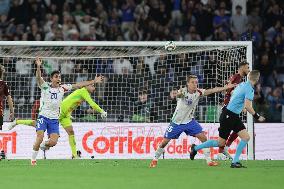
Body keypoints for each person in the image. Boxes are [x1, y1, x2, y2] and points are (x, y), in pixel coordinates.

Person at [149, 75, 236, 168]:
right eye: (192, 82)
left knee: (203, 138)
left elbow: (212, 90)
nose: (195, 84)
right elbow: (179, 94)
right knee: (164, 142)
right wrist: (178, 94)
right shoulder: (183, 91)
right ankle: (154, 160)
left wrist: (226, 87)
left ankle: (209, 161)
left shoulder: (198, 92)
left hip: (190, 121)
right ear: (188, 83)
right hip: (177, 123)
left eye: (196, 82)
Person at [30, 57, 103, 166]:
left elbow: (78, 85)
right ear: (51, 79)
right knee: (39, 137)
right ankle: (33, 160)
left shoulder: (63, 88)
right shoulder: (45, 87)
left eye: (59, 77)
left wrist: (93, 81)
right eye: (56, 77)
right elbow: (38, 77)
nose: (58, 78)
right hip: (43, 117)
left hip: (54, 119)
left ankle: (43, 145)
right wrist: (39, 66)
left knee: (53, 142)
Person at [190, 70, 265, 168]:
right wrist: (257, 116)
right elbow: (248, 106)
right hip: (229, 116)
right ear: (257, 79)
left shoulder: (242, 84)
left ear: (249, 76)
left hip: (232, 115)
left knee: (246, 137)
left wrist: (240, 106)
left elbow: (234, 94)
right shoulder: (250, 89)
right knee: (220, 143)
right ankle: (195, 148)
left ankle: (235, 162)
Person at [217, 61, 250, 160]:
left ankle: (225, 149)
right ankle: (220, 153)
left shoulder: (240, 79)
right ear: (242, 67)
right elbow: (229, 88)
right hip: (229, 107)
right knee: (225, 130)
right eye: (247, 68)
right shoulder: (236, 77)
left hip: (234, 108)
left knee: (237, 130)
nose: (249, 70)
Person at [0, 65, 14, 130]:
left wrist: (12, 111)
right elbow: (9, 98)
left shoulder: (3, 84)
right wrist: (12, 111)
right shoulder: (3, 84)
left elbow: (9, 98)